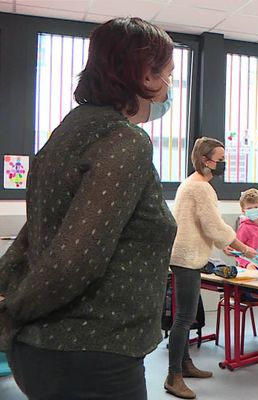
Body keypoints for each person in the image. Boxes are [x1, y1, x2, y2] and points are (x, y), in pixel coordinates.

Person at [0, 17, 177, 399]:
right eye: (168, 74)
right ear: (147, 77)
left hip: (46, 351)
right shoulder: (124, 141)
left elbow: (36, 233)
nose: (169, 87)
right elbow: (75, 259)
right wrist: (10, 310)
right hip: (91, 352)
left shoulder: (67, 132)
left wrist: (10, 299)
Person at [167, 137, 258, 399]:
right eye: (220, 159)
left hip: (184, 255)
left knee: (183, 316)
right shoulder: (202, 188)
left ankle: (184, 365)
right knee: (184, 318)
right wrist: (242, 248)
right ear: (206, 161)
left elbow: (200, 226)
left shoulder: (190, 182)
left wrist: (224, 246)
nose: (223, 164)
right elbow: (214, 226)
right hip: (187, 258)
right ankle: (173, 377)